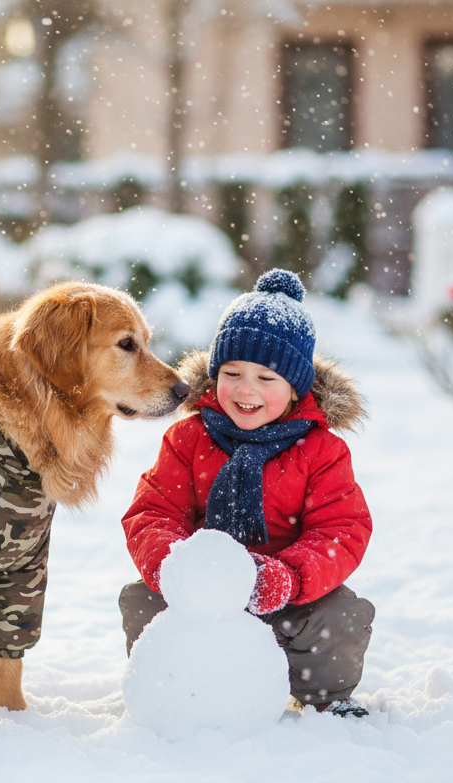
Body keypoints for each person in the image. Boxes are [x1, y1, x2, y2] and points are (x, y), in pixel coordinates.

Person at [120, 269, 374, 716]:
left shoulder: (321, 451)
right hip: (198, 600)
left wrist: (288, 577)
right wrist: (177, 570)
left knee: (339, 617)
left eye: (266, 378)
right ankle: (181, 688)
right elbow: (154, 510)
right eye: (232, 372)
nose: (245, 389)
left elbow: (340, 529)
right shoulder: (190, 438)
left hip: (283, 596)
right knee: (141, 600)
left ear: (296, 388)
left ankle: (320, 694)